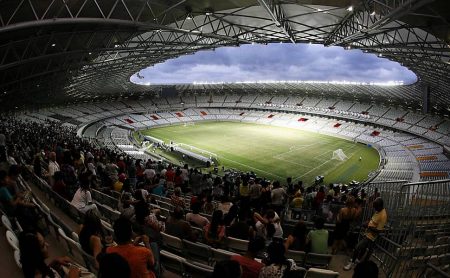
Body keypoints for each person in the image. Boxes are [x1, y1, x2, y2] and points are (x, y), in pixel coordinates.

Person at [344, 197, 387, 271]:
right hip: (367, 233)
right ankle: (357, 260)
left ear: (379, 206)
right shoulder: (378, 211)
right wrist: (368, 222)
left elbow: (378, 231)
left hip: (371, 237)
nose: (374, 208)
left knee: (357, 248)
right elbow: (374, 221)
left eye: (375, 207)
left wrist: (368, 226)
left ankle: (352, 263)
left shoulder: (383, 215)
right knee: (364, 249)